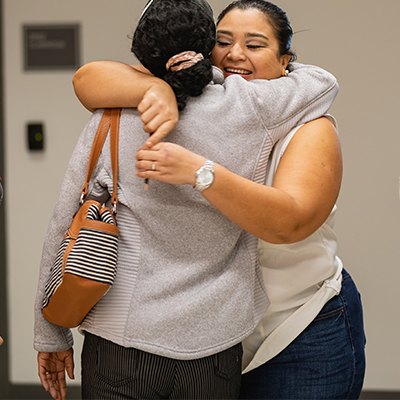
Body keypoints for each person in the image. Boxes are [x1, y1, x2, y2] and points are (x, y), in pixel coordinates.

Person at [35, 0, 339, 399]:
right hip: (215, 340)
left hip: (120, 335)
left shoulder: (112, 112)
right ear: (205, 44)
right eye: (223, 41)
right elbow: (324, 81)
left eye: (254, 44)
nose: (235, 54)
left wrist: (50, 334)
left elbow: (64, 221)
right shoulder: (253, 107)